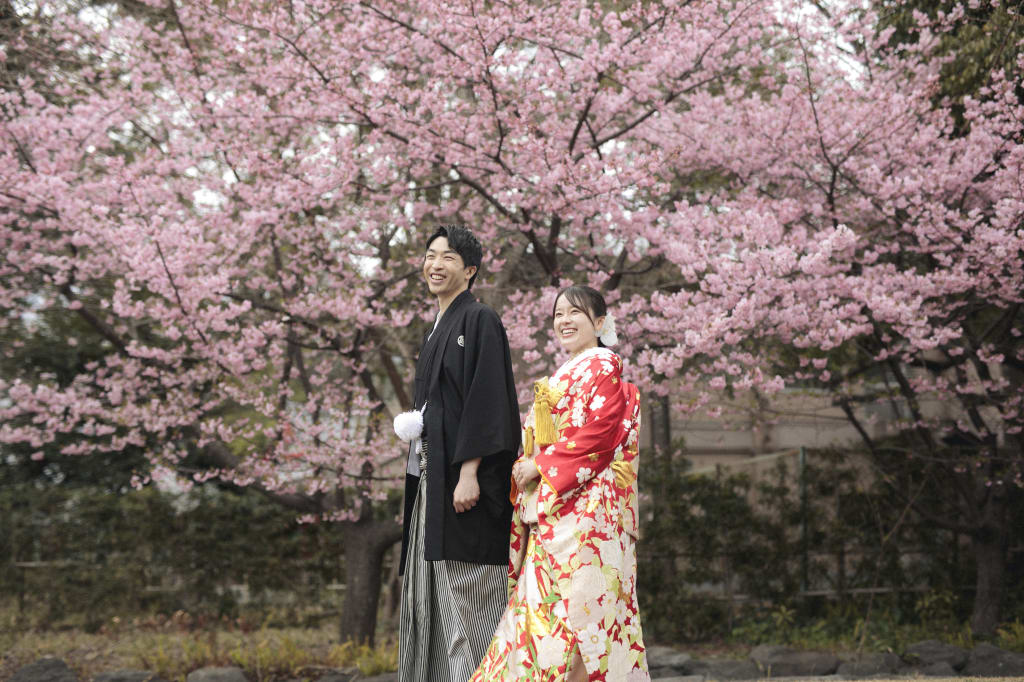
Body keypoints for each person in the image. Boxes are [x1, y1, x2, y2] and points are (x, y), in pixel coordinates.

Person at [471, 285, 649, 682]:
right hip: (556, 508)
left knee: (587, 614)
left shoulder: (603, 365)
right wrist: (526, 465)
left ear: (599, 323)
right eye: (558, 315)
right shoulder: (564, 374)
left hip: (589, 516)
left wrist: (541, 464)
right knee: (547, 614)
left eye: (576, 314)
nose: (564, 321)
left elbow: (600, 434)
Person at [394, 226, 520, 682]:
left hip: (463, 483)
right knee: (428, 597)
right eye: (430, 255)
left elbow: (487, 400)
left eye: (447, 257)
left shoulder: (479, 319)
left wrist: (471, 471)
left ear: (469, 270)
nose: (435, 264)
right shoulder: (435, 329)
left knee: (466, 599)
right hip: (432, 482)